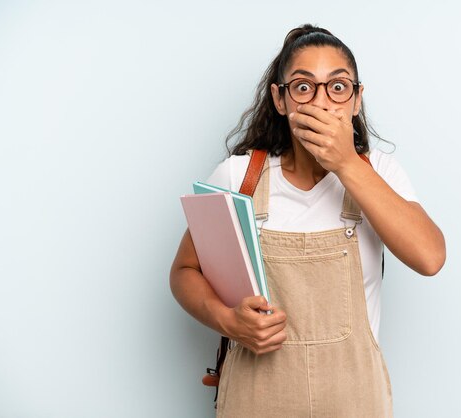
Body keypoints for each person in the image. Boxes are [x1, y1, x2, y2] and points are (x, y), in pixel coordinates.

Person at [170, 24, 446, 417]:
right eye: (303, 87)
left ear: (356, 99)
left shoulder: (380, 173)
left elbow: (430, 257)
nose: (321, 102)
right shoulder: (238, 177)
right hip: (257, 399)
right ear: (280, 100)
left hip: (354, 402)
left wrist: (347, 163)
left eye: (337, 87)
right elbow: (184, 270)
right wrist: (229, 321)